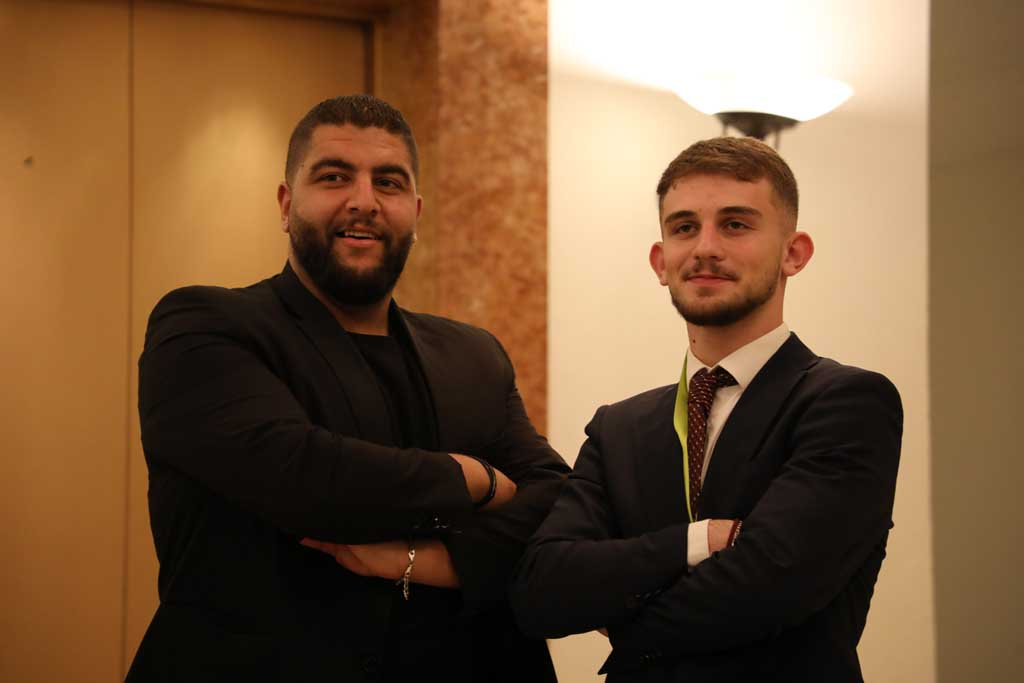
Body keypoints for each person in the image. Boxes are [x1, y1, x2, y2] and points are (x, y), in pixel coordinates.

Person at [127, 94, 569, 683]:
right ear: (286, 205)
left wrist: (433, 561)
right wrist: (474, 479)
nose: (364, 201)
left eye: (388, 182)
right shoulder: (204, 327)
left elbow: (559, 501)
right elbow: (302, 475)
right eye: (334, 177)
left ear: (415, 211)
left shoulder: (473, 355)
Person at [511, 137, 902, 682]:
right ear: (660, 261)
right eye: (684, 227)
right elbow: (541, 590)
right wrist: (703, 539)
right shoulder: (617, 428)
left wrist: (623, 623)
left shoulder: (848, 403)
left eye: (735, 225)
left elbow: (771, 587)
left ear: (794, 253)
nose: (705, 248)